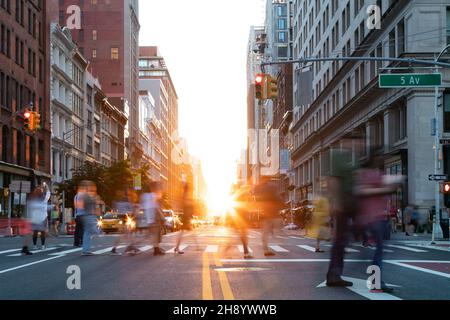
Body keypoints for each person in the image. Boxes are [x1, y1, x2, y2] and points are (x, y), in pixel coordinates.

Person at [354, 153, 402, 293]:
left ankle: (374, 276)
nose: (382, 160)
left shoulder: (377, 174)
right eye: (380, 158)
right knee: (379, 251)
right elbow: (362, 191)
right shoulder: (370, 174)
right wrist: (386, 189)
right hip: (373, 219)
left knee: (379, 250)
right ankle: (376, 280)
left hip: (379, 218)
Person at [326, 137, 360, 287]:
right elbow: (333, 180)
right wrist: (337, 203)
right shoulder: (338, 155)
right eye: (358, 141)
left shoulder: (350, 159)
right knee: (340, 241)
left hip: (350, 206)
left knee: (342, 241)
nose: (360, 144)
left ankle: (335, 274)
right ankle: (333, 275)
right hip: (343, 207)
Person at [254, 177, 284, 257]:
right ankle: (277, 238)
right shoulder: (273, 186)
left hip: (265, 214)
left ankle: (266, 250)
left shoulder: (258, 188)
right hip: (273, 213)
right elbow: (278, 197)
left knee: (265, 233)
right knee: (277, 228)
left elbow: (256, 199)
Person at [110, 189, 139, 255]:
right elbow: (130, 210)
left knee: (123, 234)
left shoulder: (117, 201)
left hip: (121, 218)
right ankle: (130, 248)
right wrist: (135, 208)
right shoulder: (127, 200)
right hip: (125, 218)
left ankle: (114, 248)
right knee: (128, 234)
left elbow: (115, 211)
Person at [141, 182, 165, 256]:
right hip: (154, 215)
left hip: (149, 217)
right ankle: (156, 250)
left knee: (155, 233)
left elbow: (142, 207)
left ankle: (156, 249)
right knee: (156, 233)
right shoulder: (154, 195)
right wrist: (162, 216)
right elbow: (157, 207)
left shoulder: (145, 195)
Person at [78, 181, 102, 256]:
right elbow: (92, 204)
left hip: (87, 216)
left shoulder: (86, 195)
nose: (94, 189)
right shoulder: (86, 196)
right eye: (93, 187)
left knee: (87, 233)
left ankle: (85, 250)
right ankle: (85, 250)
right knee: (96, 231)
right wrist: (97, 200)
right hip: (88, 216)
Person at [27, 184, 51, 251]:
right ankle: (43, 246)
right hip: (43, 217)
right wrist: (46, 186)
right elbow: (48, 193)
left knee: (35, 232)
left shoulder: (34, 200)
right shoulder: (44, 199)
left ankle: (35, 245)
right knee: (43, 232)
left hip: (35, 217)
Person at [174, 183, 194, 255]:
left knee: (182, 232)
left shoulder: (185, 194)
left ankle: (177, 247)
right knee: (182, 233)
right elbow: (187, 204)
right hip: (185, 216)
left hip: (186, 216)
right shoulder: (186, 195)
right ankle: (177, 247)